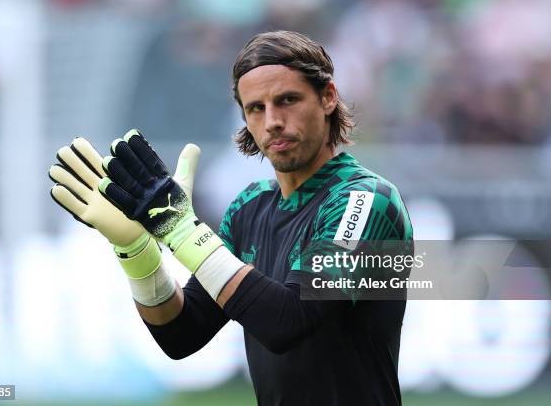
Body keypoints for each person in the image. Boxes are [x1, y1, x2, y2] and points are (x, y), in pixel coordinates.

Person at [50, 30, 413, 405]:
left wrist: (179, 228)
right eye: (256, 108)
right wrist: (139, 253)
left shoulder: (366, 200)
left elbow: (289, 322)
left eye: (287, 100)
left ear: (328, 97)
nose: (272, 121)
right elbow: (181, 335)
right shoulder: (249, 207)